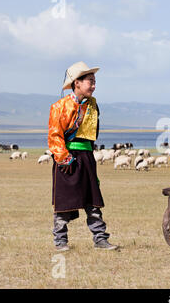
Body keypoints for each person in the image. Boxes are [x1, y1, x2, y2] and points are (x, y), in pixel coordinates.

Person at [48, 61, 118, 251]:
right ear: (76, 83)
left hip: (87, 156)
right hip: (67, 158)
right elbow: (54, 136)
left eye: (94, 82)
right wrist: (64, 158)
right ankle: (60, 241)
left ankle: (100, 239)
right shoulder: (59, 106)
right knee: (64, 202)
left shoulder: (93, 106)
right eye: (90, 81)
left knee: (92, 199)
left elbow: (91, 135)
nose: (94, 86)